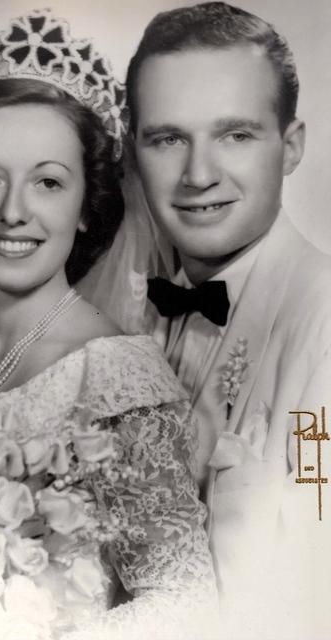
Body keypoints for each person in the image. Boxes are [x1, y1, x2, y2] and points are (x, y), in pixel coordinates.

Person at [0, 9, 217, 640]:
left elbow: (186, 605)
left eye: (48, 182)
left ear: (87, 207)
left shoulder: (118, 375)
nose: (12, 211)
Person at [121, 1, 331, 637]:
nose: (199, 174)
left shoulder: (324, 325)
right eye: (168, 138)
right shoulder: (126, 315)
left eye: (236, 135)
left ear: (290, 147)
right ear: (134, 152)